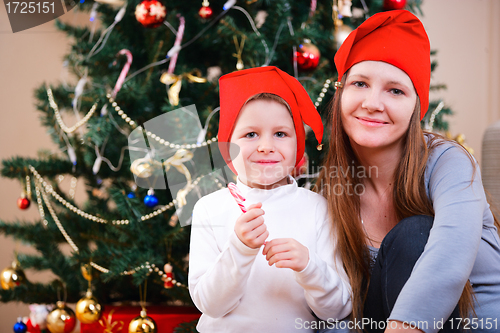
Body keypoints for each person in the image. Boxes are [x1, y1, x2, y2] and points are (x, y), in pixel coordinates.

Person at [317, 9, 500, 333]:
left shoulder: (448, 162)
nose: (372, 102)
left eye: (395, 90)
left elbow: (450, 257)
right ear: (341, 91)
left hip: (477, 325)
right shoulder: (330, 188)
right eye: (360, 83)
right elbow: (332, 302)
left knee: (415, 234)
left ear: (417, 106)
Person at [188, 66, 352, 332]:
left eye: (280, 134)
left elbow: (338, 310)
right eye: (251, 134)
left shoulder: (316, 208)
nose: (266, 146)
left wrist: (310, 267)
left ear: (297, 144)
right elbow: (210, 304)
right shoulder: (210, 208)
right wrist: (239, 249)